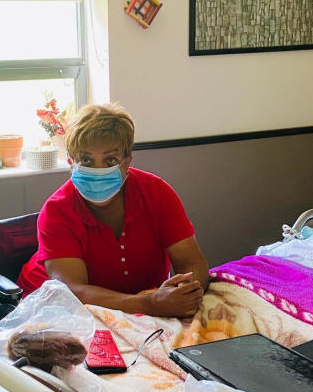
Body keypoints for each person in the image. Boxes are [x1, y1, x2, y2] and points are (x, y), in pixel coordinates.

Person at [18, 103, 210, 318]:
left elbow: (192, 263)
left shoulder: (156, 193)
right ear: (71, 163)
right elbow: (73, 292)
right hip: (55, 311)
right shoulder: (57, 211)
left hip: (140, 306)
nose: (98, 170)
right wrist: (150, 304)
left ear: (127, 162)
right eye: (87, 160)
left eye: (110, 160)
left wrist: (183, 293)